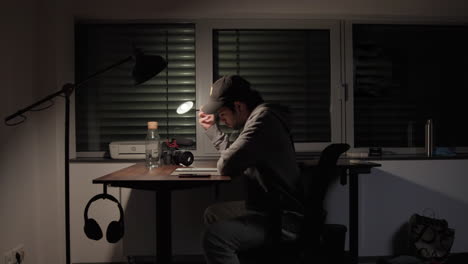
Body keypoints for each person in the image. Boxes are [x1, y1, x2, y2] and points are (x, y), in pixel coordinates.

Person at [199, 75, 304, 264]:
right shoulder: (258, 119)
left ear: (238, 106)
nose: (221, 121)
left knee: (215, 237)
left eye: (222, 114)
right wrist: (213, 131)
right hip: (268, 208)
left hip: (283, 218)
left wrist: (224, 151)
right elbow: (234, 157)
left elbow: (227, 166)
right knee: (213, 213)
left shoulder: (262, 121)